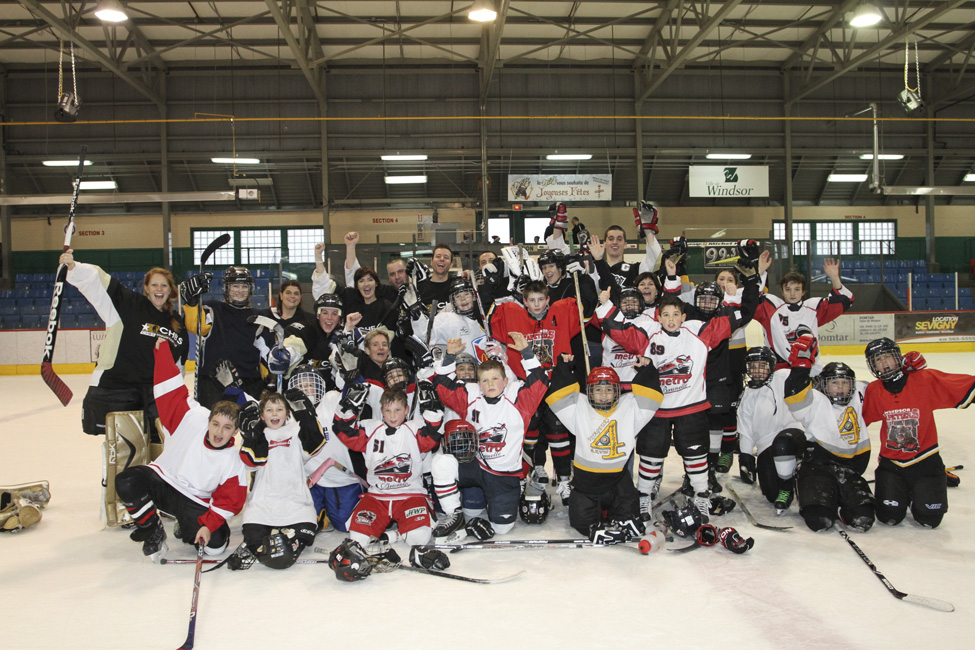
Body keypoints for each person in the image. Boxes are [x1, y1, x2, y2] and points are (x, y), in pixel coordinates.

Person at [596, 257, 761, 522]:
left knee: (696, 458)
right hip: (658, 411)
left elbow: (740, 316)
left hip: (691, 409)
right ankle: (644, 497)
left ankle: (702, 497)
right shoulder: (648, 334)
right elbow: (618, 330)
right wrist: (605, 305)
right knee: (650, 456)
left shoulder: (699, 332)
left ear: (684, 317)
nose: (671, 319)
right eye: (665, 315)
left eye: (676, 315)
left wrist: (745, 288)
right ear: (658, 316)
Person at [115, 338, 248, 562]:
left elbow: (230, 501)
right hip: (163, 481)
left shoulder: (233, 460)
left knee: (214, 546)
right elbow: (171, 392)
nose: (218, 432)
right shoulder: (192, 418)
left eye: (226, 428)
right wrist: (164, 354)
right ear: (208, 420)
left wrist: (209, 525)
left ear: (235, 432)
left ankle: (183, 524)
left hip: (193, 501)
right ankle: (152, 529)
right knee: (126, 482)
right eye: (215, 424)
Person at [427, 332, 548, 539]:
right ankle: (454, 514)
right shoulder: (471, 395)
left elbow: (541, 382)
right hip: (476, 465)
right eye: (485, 380)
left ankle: (474, 521)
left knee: (501, 528)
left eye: (495, 379)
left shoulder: (518, 398)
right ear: (479, 383)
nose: (490, 384)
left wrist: (527, 353)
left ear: (504, 381)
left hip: (504, 475)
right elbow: (442, 387)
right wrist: (449, 357)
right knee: (441, 462)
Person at [60, 249, 188, 439]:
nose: (159, 289)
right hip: (118, 391)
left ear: (170, 290)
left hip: (155, 397)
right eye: (154, 285)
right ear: (146, 288)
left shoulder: (176, 323)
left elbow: (178, 365)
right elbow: (99, 282)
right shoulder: (128, 304)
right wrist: (73, 267)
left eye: (164, 286)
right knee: (124, 454)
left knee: (158, 452)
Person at [862, 338, 975, 528]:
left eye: (887, 357)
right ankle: (904, 491)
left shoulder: (924, 380)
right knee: (888, 517)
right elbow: (854, 419)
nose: (884, 363)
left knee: (929, 520)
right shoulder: (874, 390)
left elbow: (964, 386)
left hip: (926, 461)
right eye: (878, 360)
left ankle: (922, 490)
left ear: (898, 358)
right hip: (892, 464)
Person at [546, 357, 662, 538]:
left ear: (617, 391)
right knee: (582, 525)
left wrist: (647, 370)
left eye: (609, 389)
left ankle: (609, 511)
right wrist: (565, 367)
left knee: (629, 518)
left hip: (618, 481)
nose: (603, 394)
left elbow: (651, 396)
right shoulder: (579, 407)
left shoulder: (629, 405)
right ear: (589, 391)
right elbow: (559, 394)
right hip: (586, 484)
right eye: (597, 389)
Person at [333, 385, 444, 550]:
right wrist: (349, 405)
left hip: (410, 495)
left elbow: (434, 431)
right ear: (381, 410)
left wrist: (431, 406)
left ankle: (395, 535)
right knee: (358, 539)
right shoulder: (371, 428)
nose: (392, 416)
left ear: (407, 410)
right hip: (377, 497)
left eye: (398, 410)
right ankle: (392, 531)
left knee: (418, 539)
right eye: (388, 410)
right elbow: (342, 429)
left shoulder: (414, 429)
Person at [228, 389, 325, 570]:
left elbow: (315, 447)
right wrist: (250, 436)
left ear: (288, 413)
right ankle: (266, 539)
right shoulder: (259, 433)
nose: (274, 413)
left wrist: (307, 417)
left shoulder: (296, 431)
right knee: (252, 535)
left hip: (296, 502)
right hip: (264, 503)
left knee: (306, 535)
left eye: (279, 409)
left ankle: (289, 537)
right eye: (269, 410)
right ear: (262, 416)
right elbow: (251, 463)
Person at [784, 335, 873, 532]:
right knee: (819, 521)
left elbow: (889, 390)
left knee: (864, 518)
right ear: (824, 385)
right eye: (834, 383)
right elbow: (793, 393)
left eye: (845, 382)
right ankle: (816, 494)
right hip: (818, 466)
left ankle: (839, 505)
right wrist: (800, 365)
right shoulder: (814, 399)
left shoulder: (861, 394)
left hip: (850, 468)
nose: (840, 388)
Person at [181, 266, 270, 408]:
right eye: (235, 286)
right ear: (227, 288)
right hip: (213, 384)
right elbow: (195, 326)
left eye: (244, 286)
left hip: (248, 382)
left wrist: (269, 379)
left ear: (250, 289)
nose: (239, 291)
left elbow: (266, 351)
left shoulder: (259, 317)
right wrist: (191, 304)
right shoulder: (213, 309)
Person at [753, 253, 853, 371]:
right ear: (782, 291)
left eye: (797, 289)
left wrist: (834, 277)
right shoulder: (771, 307)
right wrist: (760, 272)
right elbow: (751, 301)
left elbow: (844, 300)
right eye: (788, 289)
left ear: (803, 291)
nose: (792, 294)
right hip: (779, 370)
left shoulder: (813, 308)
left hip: (810, 369)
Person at [736, 346, 806, 514]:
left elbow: (800, 374)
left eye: (762, 366)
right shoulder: (747, 396)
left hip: (793, 434)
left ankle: (788, 486)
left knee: (783, 444)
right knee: (771, 494)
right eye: (752, 367)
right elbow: (745, 431)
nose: (757, 371)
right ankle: (787, 478)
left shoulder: (783, 378)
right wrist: (746, 457)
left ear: (771, 366)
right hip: (767, 445)